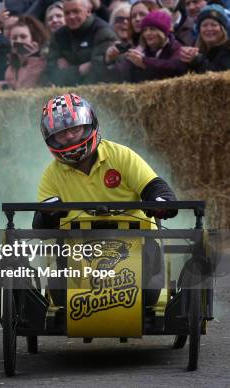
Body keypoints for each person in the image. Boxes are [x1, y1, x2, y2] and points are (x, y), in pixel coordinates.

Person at [35, 93, 178, 306]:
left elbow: (154, 186)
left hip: (136, 241)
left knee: (147, 297)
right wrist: (49, 214)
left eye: (74, 129)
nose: (70, 138)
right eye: (62, 134)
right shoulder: (51, 174)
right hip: (78, 247)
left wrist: (161, 202)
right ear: (50, 138)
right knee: (61, 297)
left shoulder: (120, 156)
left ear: (90, 125)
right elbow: (40, 225)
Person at [44, 0, 117, 86]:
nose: (71, 16)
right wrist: (80, 70)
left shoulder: (102, 32)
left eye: (76, 11)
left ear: (88, 11)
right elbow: (52, 74)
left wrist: (68, 70)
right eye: (67, 13)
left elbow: (98, 72)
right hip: (67, 94)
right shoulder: (58, 36)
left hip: (95, 93)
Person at [117, 10, 187, 83]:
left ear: (162, 32)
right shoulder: (142, 49)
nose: (147, 33)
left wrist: (145, 62)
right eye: (145, 30)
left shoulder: (176, 47)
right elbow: (122, 73)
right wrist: (109, 60)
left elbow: (175, 67)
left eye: (152, 29)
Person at [0, 16, 49, 90]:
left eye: (23, 37)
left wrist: (34, 58)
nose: (18, 41)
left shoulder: (42, 61)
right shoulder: (11, 65)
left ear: (33, 38)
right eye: (14, 38)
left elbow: (26, 87)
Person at [179, 4, 230, 72]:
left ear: (222, 29)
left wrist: (198, 60)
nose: (209, 29)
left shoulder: (228, 50)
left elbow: (221, 76)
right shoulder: (196, 49)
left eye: (214, 25)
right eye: (204, 25)